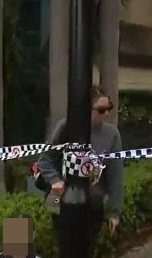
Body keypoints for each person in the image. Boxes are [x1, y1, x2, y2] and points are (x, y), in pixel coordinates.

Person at [36, 85, 125, 244]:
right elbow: (45, 159)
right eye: (100, 110)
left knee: (87, 250)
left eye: (108, 109)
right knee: (67, 249)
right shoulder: (66, 127)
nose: (105, 114)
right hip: (64, 203)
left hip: (93, 205)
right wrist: (55, 180)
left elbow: (115, 176)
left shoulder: (112, 134)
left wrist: (114, 212)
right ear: (86, 109)